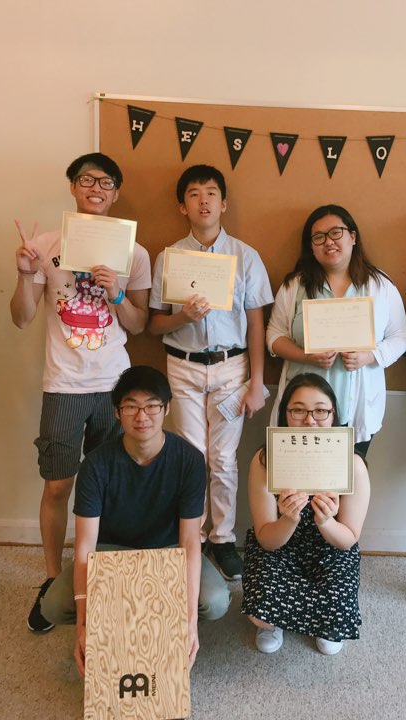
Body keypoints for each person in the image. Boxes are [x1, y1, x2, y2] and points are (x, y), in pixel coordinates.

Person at [10, 152, 151, 633]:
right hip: (64, 385)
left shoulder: (134, 253)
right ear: (72, 186)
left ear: (116, 193)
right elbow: (22, 318)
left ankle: (105, 574)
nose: (96, 188)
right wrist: (24, 273)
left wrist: (116, 294)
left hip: (114, 384)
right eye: (87, 180)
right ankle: (53, 579)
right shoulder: (43, 246)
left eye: (106, 182)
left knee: (113, 484)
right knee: (57, 485)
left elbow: (139, 324)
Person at [38, 366, 230, 673]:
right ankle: (112, 626)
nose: (142, 416)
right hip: (111, 553)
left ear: (166, 409)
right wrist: (84, 625)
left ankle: (165, 626)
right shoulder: (96, 464)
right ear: (117, 412)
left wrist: (190, 622)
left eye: (152, 406)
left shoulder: (189, 460)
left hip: (167, 551)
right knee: (54, 605)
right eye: (131, 407)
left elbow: (189, 541)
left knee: (215, 600)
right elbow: (85, 546)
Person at [148, 165, 273, 581]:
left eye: (211, 193)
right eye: (194, 194)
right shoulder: (169, 258)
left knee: (222, 459)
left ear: (224, 203)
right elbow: (154, 325)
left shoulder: (245, 256)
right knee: (191, 456)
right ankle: (193, 536)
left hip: (231, 368)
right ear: (182, 206)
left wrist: (257, 382)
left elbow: (256, 324)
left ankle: (222, 538)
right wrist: (182, 316)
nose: (203, 200)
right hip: (183, 367)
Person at [266, 205, 406, 460]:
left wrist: (369, 356)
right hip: (303, 411)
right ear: (311, 246)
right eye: (318, 237)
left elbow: (401, 336)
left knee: (348, 479)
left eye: (336, 233)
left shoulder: (379, 285)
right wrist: (306, 356)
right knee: (300, 479)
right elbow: (274, 336)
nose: (328, 242)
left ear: (352, 237)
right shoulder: (295, 285)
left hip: (355, 409)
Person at [241, 373, 371, 655]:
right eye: (298, 410)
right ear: (285, 414)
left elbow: (347, 539)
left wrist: (325, 521)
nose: (310, 420)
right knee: (261, 612)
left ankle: (323, 623)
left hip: (330, 549)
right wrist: (288, 518)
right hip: (280, 547)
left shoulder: (352, 464)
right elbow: (266, 540)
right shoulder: (264, 460)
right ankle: (272, 624)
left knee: (337, 612)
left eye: (321, 411)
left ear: (334, 415)